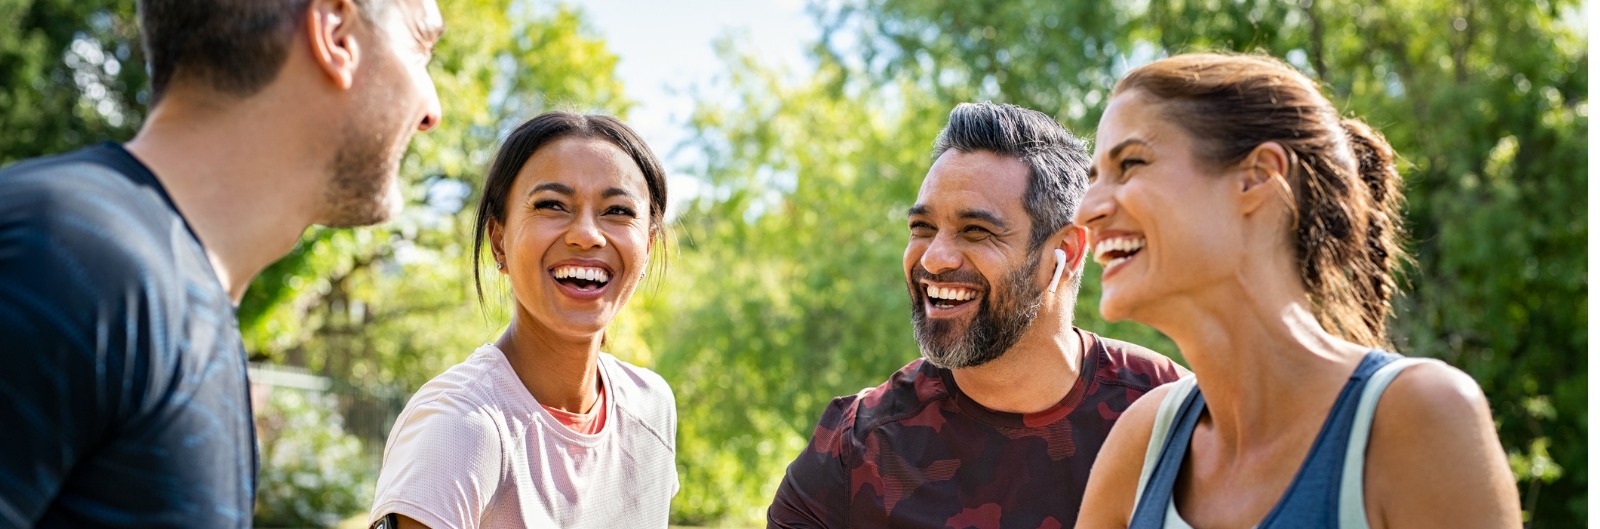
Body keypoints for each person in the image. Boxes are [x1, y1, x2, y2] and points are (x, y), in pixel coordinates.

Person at [0, 0, 442, 526]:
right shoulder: (60, 256)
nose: (431, 110)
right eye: (421, 46)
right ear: (337, 31)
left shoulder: (181, 300)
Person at [1072, 53, 1521, 528]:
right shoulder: (1143, 444)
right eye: (1095, 177)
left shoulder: (1419, 416)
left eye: (1131, 163)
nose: (1087, 210)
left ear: (1258, 176)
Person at [767, 102, 1188, 529]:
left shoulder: (1173, 414)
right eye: (922, 228)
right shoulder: (855, 447)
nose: (935, 259)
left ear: (1068, 253)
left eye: (976, 231)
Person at [368, 111, 677, 529]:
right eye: (552, 205)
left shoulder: (651, 406)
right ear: (499, 241)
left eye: (618, 210)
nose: (587, 234)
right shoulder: (458, 428)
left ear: (648, 245)